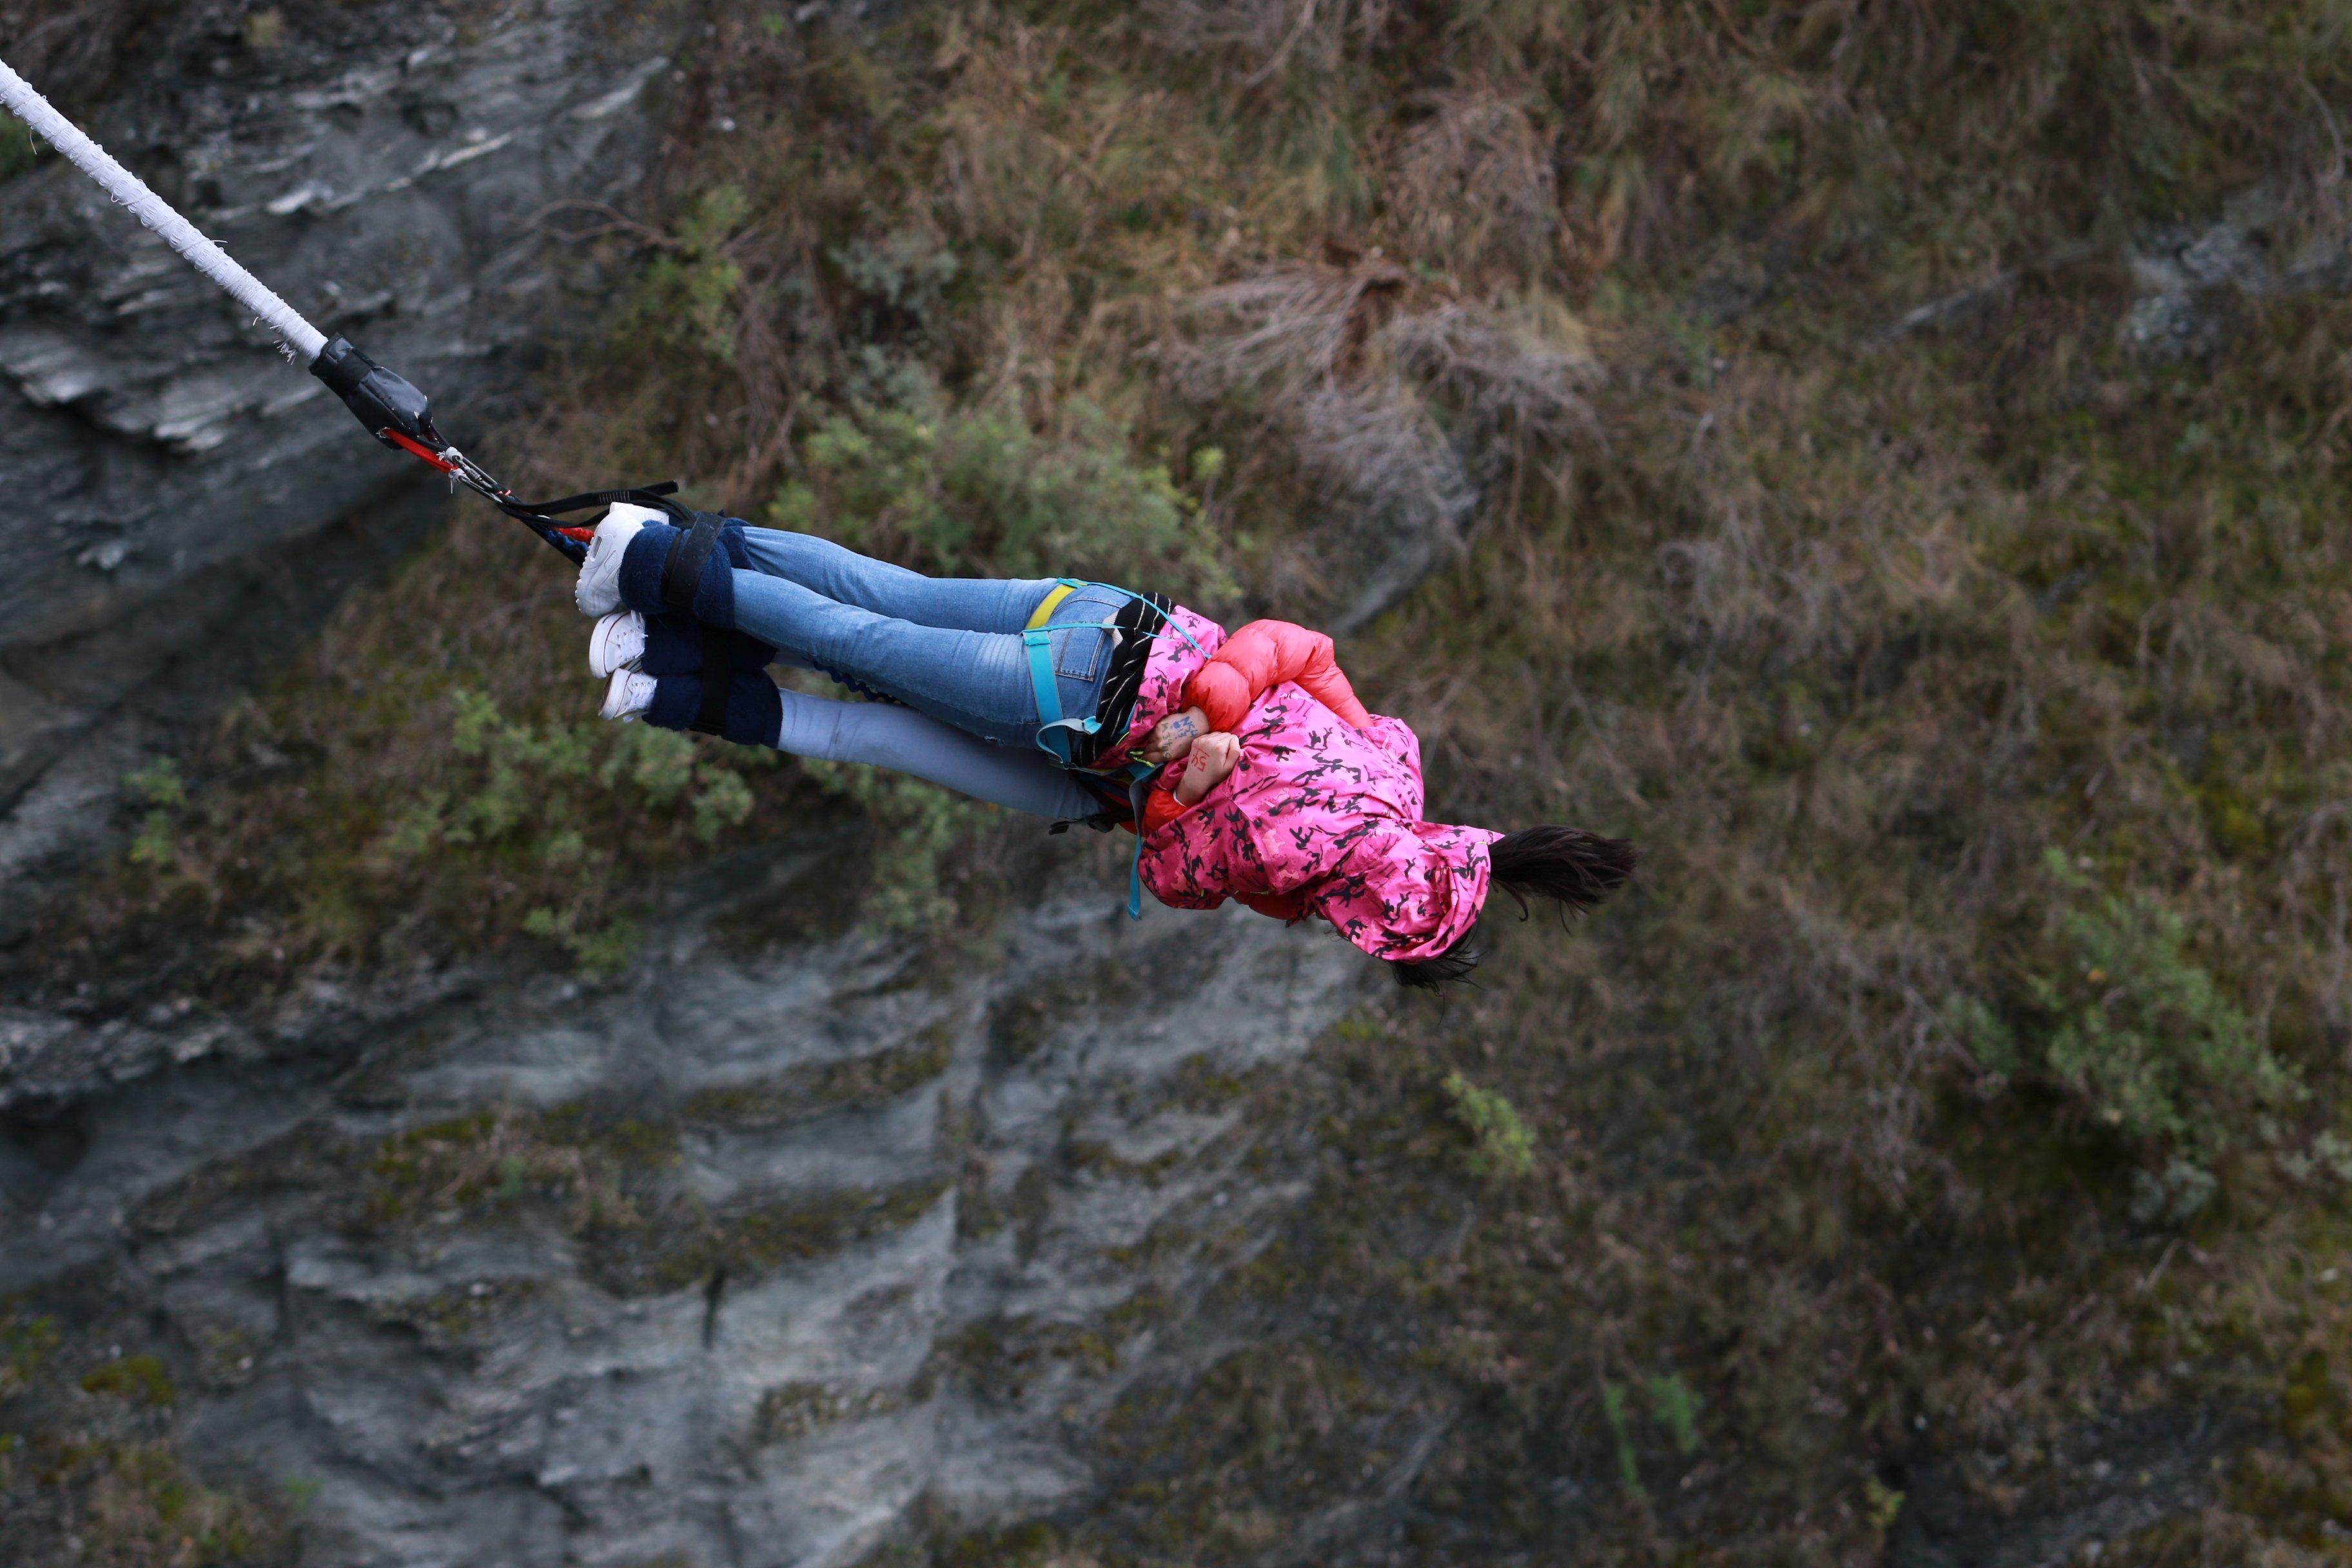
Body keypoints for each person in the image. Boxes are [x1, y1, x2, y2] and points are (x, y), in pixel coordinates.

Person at [571, 505, 1638, 986]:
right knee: (866, 655)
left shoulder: (1395, 771)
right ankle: (649, 560)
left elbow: (1298, 651)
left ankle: (663, 544)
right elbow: (1172, 869)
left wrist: (1220, 701)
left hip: (1124, 621)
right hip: (1081, 713)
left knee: (880, 597)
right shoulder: (1295, 867)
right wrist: (1200, 759)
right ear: (1373, 911)